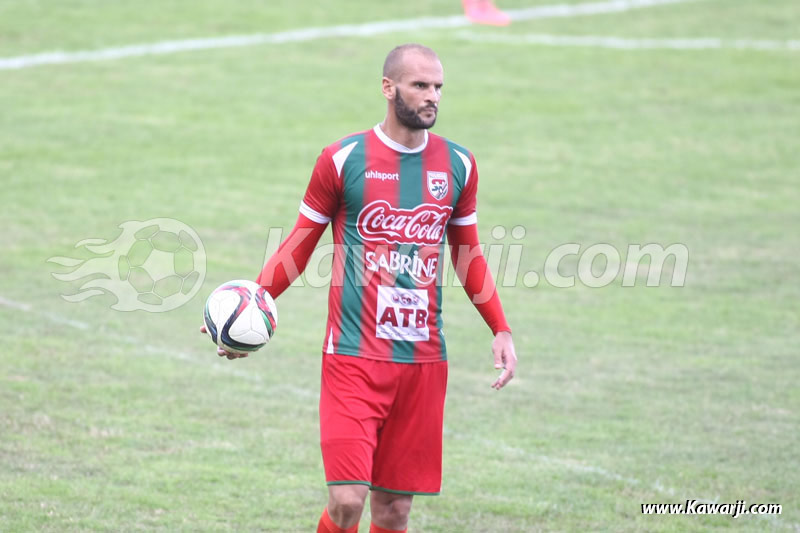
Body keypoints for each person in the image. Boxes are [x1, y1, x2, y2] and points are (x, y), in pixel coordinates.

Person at [204, 44, 517, 533]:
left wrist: (500, 327)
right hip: (352, 359)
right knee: (348, 501)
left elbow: (468, 255)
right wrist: (252, 305)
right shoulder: (343, 159)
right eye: (420, 85)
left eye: (438, 87)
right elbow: (299, 246)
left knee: (394, 513)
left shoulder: (459, 165)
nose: (432, 96)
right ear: (388, 88)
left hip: (423, 363)